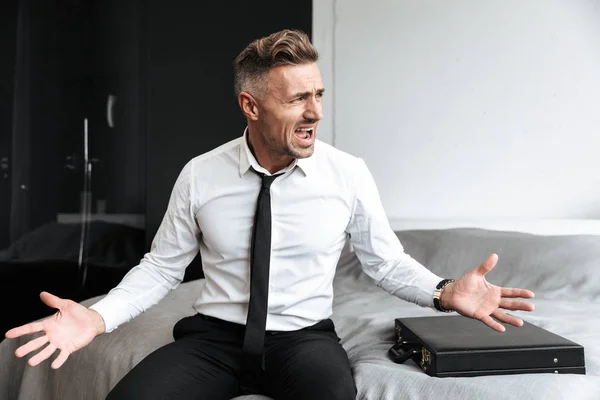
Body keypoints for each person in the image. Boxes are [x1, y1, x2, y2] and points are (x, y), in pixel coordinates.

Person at [5, 29, 535, 400]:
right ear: (251, 106)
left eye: (319, 95)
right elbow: (163, 267)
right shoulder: (200, 175)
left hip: (304, 339)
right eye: (298, 99)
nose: (316, 113)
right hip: (213, 338)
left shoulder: (346, 174)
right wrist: (97, 317)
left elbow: (385, 263)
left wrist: (445, 292)